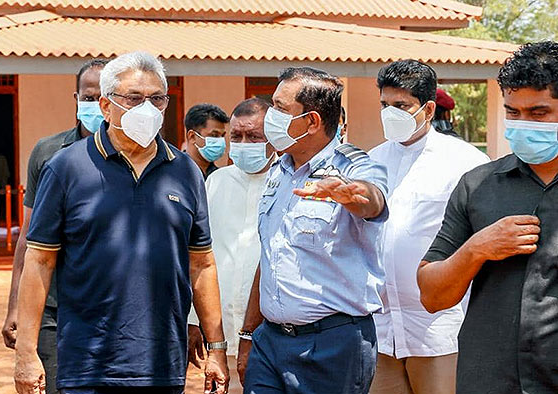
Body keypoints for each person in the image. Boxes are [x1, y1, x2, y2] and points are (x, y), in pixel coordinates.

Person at [13, 51, 229, 394]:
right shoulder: (66, 168)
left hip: (162, 364)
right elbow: (39, 261)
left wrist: (217, 349)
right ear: (105, 105)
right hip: (88, 364)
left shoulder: (185, 171)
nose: (147, 108)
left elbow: (202, 264)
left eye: (157, 98)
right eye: (134, 98)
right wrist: (26, 352)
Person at [418, 41, 558, 394]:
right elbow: (433, 296)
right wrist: (477, 248)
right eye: (513, 112)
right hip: (491, 380)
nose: (523, 124)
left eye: (539, 113)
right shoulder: (478, 185)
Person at [238, 66, 388, 394]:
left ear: (312, 121)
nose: (269, 117)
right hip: (270, 342)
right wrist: (249, 334)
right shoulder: (278, 171)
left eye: (280, 108)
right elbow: (270, 256)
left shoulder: (355, 166)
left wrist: (352, 194)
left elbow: (372, 200)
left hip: (332, 345)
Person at [368, 59, 489, 394]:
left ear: (429, 108)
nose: (390, 113)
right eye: (385, 105)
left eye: (401, 106)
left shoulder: (466, 163)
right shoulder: (371, 161)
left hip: (438, 330)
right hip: (381, 330)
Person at [1, 59, 107, 394]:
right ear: (75, 99)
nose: (95, 105)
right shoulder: (48, 153)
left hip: (110, 308)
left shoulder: (138, 158)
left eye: (103, 96)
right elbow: (29, 237)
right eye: (87, 97)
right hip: (54, 308)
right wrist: (14, 306)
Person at [187, 97, 275, 394]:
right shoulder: (215, 183)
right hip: (221, 335)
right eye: (236, 136)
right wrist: (194, 320)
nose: (243, 143)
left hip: (272, 336)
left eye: (254, 137)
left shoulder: (286, 183)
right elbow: (200, 256)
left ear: (274, 137)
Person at [184, 103, 230, 179]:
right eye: (214, 135)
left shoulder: (220, 177)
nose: (220, 141)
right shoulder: (173, 173)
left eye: (222, 135)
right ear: (192, 137)